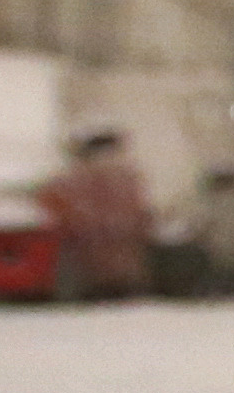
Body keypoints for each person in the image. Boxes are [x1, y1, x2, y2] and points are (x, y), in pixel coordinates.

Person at [42, 123, 153, 303]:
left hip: (85, 270)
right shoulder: (129, 176)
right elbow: (143, 217)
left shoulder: (68, 180)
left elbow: (52, 211)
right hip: (128, 271)